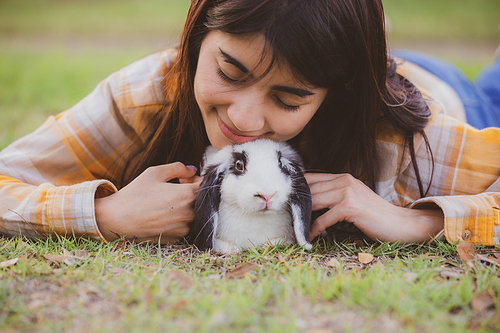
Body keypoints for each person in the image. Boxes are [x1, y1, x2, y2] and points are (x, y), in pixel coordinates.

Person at [0, 0, 499, 246]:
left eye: (288, 99)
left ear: (333, 98)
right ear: (196, 37)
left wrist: (418, 221)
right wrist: (107, 216)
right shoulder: (144, 96)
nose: (243, 118)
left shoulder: (394, 134)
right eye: (229, 71)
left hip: (442, 93)